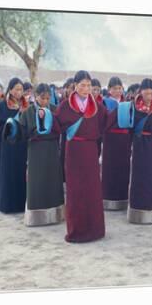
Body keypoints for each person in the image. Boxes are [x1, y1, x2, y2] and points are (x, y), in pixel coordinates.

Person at [53, 70, 108, 243]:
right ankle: (76, 230)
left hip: (90, 151)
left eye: (88, 85)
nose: (86, 89)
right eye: (82, 85)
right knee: (76, 190)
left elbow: (104, 124)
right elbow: (56, 125)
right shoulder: (65, 106)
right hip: (74, 151)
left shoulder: (98, 107)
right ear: (75, 86)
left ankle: (95, 230)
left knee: (92, 189)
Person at [18, 83, 65, 226]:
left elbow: (61, 128)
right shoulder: (28, 112)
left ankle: (55, 215)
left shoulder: (55, 110)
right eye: (42, 98)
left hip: (52, 149)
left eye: (47, 98)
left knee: (52, 180)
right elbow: (22, 132)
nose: (45, 101)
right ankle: (36, 217)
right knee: (36, 181)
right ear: (35, 96)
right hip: (36, 151)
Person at [124, 78, 152, 224]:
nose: (149, 94)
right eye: (146, 91)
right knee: (140, 175)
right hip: (140, 144)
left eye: (151, 91)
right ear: (141, 91)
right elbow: (128, 126)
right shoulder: (133, 106)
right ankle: (138, 209)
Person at [0, 77, 29, 214]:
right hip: (8, 145)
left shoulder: (26, 105)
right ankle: (8, 205)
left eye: (21, 89)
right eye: (17, 89)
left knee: (20, 172)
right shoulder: (2, 106)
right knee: (8, 172)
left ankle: (20, 204)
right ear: (10, 90)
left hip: (21, 145)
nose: (19, 92)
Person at [101, 76, 131, 210]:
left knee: (123, 167)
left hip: (124, 140)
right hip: (111, 139)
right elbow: (103, 122)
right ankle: (109, 197)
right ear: (109, 90)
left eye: (120, 88)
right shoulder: (104, 103)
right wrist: (117, 111)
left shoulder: (127, 103)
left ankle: (123, 198)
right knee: (110, 168)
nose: (118, 91)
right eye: (115, 88)